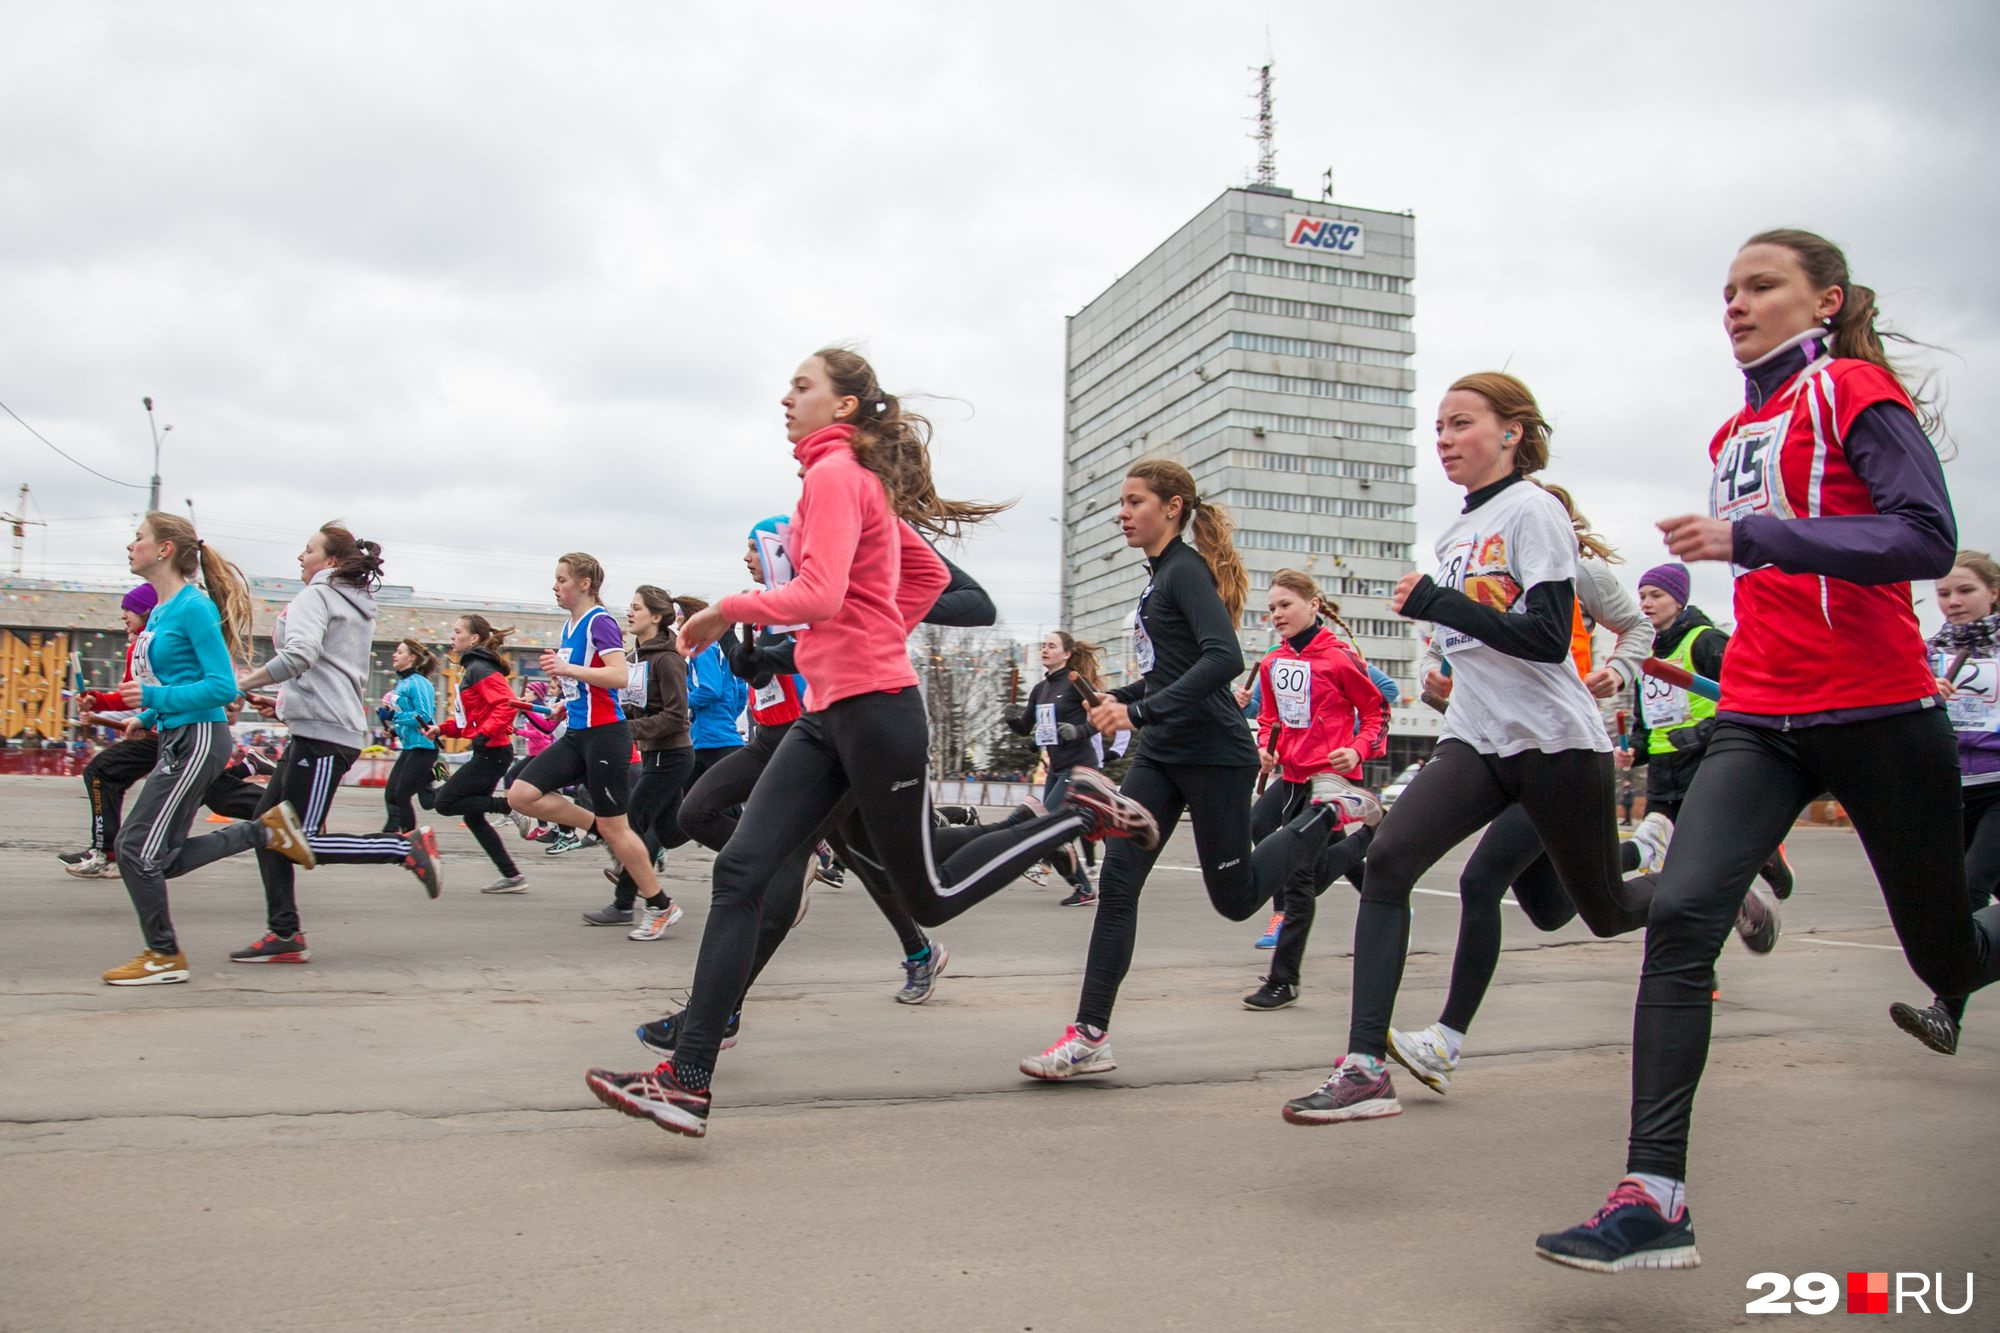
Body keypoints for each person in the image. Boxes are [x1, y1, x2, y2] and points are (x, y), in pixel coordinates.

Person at [1536, 228, 2000, 1274]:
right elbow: (1777, 587)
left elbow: (1923, 536)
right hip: (1759, 715)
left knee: (1946, 955)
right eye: (1726, 291)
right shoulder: (1729, 433)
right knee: (1682, 919)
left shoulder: (1849, 392)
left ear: (1823, 300)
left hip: (1878, 711)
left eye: (1760, 286)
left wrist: (1756, 539)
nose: (1734, 305)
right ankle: (1650, 1198)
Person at [586, 347, 1154, 1137]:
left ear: (844, 406)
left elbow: (816, 593)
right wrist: (872, 627)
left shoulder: (834, 478)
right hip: (831, 712)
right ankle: (686, 1080)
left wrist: (727, 607)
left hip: (877, 711)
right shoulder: (853, 486)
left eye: (803, 386)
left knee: (931, 896)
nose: (787, 397)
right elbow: (919, 582)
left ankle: (1072, 815)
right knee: (743, 869)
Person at [1281, 373, 1660, 1126]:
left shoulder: (1534, 512)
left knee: (1603, 912)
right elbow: (1481, 644)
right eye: (1440, 428)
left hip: (1553, 741)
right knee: (1387, 861)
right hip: (1477, 738)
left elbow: (1548, 637)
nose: (1445, 439)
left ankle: (1711, 880)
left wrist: (1436, 602)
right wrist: (1442, 667)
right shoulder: (1455, 535)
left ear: (1511, 432)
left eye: (1462, 424)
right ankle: (1364, 1068)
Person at [1019, 459, 1381, 1081]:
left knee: (1236, 898)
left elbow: (1223, 658)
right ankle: (1089, 1035)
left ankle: (1330, 812)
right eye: (1122, 503)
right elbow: (1167, 671)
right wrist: (1121, 702)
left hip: (1214, 753)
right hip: (1162, 752)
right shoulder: (1156, 581)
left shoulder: (1185, 572)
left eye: (1135, 502)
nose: (1123, 513)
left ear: (1173, 507)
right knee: (1119, 885)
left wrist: (1142, 710)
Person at [1385, 484, 1665, 1090]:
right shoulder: (1470, 569)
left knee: (1482, 881)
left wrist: (1615, 672)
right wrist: (1440, 691)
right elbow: (1458, 658)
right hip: (1490, 744)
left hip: (1558, 744)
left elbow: (1636, 629)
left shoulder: (1578, 573)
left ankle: (1445, 1041)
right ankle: (1644, 856)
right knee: (1551, 907)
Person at [100, 513, 316, 985]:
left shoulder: (193, 608)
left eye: (139, 538)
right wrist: (146, 716)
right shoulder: (160, 611)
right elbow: (178, 681)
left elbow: (221, 687)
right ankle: (264, 832)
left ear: (164, 551)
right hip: (177, 735)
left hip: (199, 739)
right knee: (164, 856)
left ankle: (163, 955)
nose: (130, 545)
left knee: (134, 848)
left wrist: (153, 700)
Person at [227, 524, 445, 965]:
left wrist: (239, 683)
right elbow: (327, 670)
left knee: (298, 840)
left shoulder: (317, 597)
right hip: (314, 728)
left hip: (325, 736)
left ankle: (404, 848)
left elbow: (301, 656)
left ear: (330, 562)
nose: (299, 557)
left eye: (307, 550)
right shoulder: (347, 602)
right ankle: (284, 933)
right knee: (265, 826)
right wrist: (282, 703)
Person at [1240, 569, 1389, 1010]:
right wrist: (1265, 748)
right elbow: (1270, 718)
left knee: (1300, 877)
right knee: (1261, 825)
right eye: (1271, 608)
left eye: (1285, 605)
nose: (1277, 614)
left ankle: (1284, 980)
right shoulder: (1272, 662)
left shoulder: (1340, 659)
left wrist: (1358, 751)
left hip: (1331, 779)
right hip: (1291, 776)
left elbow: (1377, 711)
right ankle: (1369, 836)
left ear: (1313, 606)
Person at [505, 553, 668, 913]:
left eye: (562, 579)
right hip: (579, 732)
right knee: (521, 795)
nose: (555, 586)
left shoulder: (600, 621)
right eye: (555, 579)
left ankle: (661, 906)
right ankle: (595, 828)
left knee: (619, 830)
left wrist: (569, 669)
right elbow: (586, 680)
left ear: (584, 584)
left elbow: (618, 675)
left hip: (606, 735)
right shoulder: (570, 626)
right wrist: (567, 693)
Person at [1887, 550, 2000, 1054]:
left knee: (1967, 893)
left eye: (1966, 591)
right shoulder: (1925, 651)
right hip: (1954, 791)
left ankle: (1945, 1013)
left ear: (1993, 593)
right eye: (1945, 593)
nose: (1953, 601)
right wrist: (1925, 697)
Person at [1629, 562, 1794, 901]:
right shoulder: (1642, 652)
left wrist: (1701, 733)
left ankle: (1763, 858)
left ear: (1678, 600)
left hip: (1703, 761)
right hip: (1662, 771)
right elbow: (1642, 715)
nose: (1646, 603)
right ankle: (1711, 911)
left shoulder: (1706, 641)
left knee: (1698, 853)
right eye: (1642, 595)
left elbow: (1745, 697)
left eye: (1656, 595)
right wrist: (1634, 748)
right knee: (1660, 858)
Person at [601, 584, 699, 940]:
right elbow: (634, 705)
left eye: (637, 608)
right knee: (672, 830)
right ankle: (714, 817)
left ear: (656, 616)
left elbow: (676, 716)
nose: (630, 612)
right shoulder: (634, 659)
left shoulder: (669, 659)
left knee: (633, 823)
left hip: (672, 756)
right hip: (653, 754)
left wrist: (627, 728)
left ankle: (630, 904)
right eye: (630, 606)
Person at [59, 582, 160, 879]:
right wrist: (98, 701)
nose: (123, 618)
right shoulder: (139, 646)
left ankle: (108, 852)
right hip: (159, 728)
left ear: (145, 611)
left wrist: (134, 716)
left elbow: (151, 693)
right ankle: (106, 850)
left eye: (127, 610)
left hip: (170, 730)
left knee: (100, 772)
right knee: (216, 791)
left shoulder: (154, 642)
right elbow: (131, 696)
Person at [430, 615, 531, 893]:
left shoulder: (479, 667)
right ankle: (512, 877)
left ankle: (508, 807)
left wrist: (486, 734)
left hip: (492, 752)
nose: (453, 636)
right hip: (490, 750)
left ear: (473, 638)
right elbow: (468, 724)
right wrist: (442, 729)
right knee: (473, 817)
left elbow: (508, 704)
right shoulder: (472, 668)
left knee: (445, 803)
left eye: (457, 631)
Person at [1005, 630, 1104, 906]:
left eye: (1052, 646)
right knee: (1050, 829)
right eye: (1044, 646)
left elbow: (1101, 718)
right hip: (1057, 769)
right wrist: (1012, 720)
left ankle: (1081, 881)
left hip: (1080, 767)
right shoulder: (1040, 689)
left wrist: (1078, 730)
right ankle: (1083, 889)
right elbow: (1027, 727)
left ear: (1067, 654)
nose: (1045, 650)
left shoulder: (1076, 683)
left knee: (1047, 824)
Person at [379, 638, 439, 834]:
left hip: (424, 746)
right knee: (394, 795)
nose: (394, 655)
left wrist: (394, 715)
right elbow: (407, 717)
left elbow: (424, 715)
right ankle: (390, 834)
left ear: (412, 657)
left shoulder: (420, 683)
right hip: (410, 746)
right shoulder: (402, 683)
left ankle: (407, 839)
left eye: (400, 652)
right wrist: (394, 728)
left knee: (402, 794)